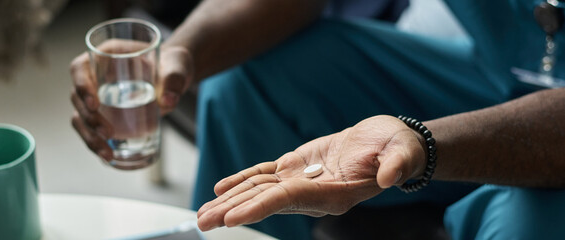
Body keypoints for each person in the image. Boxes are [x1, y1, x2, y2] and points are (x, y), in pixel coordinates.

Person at [70, 0, 565, 239]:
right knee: (247, 82)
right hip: (490, 70)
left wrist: (424, 145)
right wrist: (179, 53)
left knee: (526, 225)